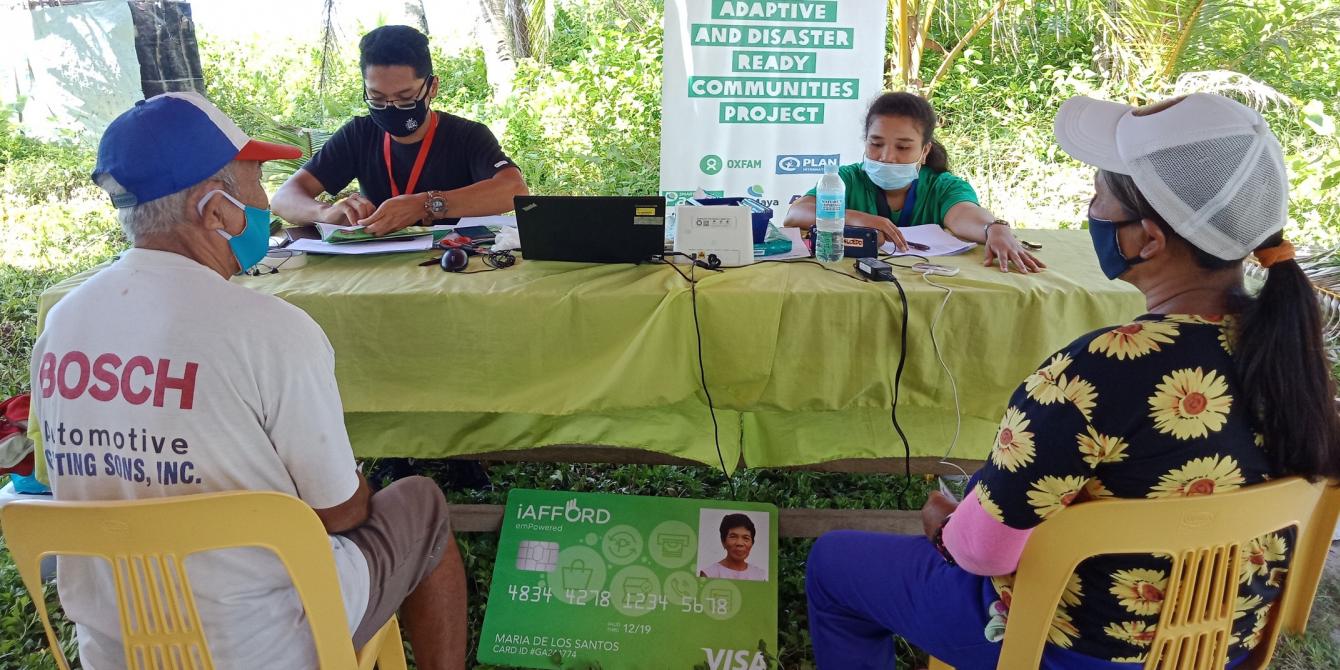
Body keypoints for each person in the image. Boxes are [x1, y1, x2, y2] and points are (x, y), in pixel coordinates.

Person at [804, 92, 1340, 668]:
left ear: (1148, 239)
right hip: (1219, 646)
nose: (1090, 208)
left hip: (1062, 646)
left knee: (834, 563)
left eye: (1098, 196)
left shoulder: (1094, 372)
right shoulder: (1292, 359)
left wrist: (947, 529)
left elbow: (981, 553)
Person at [31, 92, 467, 670]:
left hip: (117, 646)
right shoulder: (270, 329)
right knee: (421, 501)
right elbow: (340, 513)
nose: (266, 204)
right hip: (265, 643)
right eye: (257, 186)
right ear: (215, 212)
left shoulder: (64, 320)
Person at [272, 25, 528, 234]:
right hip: (381, 267)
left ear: (433, 88)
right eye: (377, 97)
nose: (390, 107)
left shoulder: (467, 136)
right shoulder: (359, 135)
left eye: (405, 97)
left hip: (457, 264)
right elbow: (284, 198)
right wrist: (325, 213)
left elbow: (513, 190)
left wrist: (426, 205)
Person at [784, 92, 1043, 272]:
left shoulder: (943, 186)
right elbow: (796, 214)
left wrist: (994, 229)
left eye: (903, 147)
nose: (887, 157)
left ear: (924, 150)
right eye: (876, 144)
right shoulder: (846, 179)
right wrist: (857, 218)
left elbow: (963, 215)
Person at [700, 513, 767, 581]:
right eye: (733, 537)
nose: (739, 543)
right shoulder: (709, 574)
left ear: (752, 543)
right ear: (723, 541)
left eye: (746, 538)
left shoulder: (759, 575)